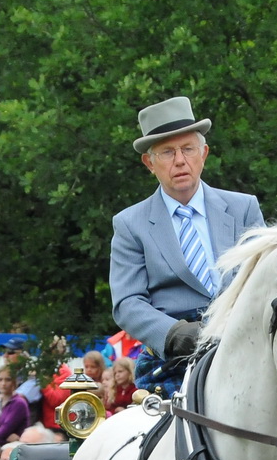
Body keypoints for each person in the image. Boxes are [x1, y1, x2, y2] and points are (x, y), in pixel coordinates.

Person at [109, 96, 266, 392]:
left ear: (203, 153)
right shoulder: (130, 224)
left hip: (247, 345)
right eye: (167, 152)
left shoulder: (244, 208)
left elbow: (265, 276)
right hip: (173, 360)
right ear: (149, 163)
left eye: (188, 149)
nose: (180, 160)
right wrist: (173, 334)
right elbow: (127, 303)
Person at [0, 368, 34, 446]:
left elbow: (4, 431)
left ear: (14, 382)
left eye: (8, 380)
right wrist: (3, 440)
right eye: (0, 380)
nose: (3, 383)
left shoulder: (19, 403)